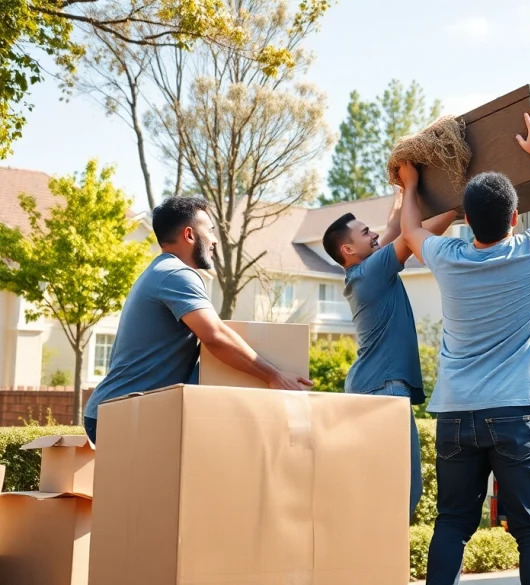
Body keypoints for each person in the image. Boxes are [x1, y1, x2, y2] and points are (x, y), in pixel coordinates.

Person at [400, 111, 530, 585]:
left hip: (456, 413)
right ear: (514, 217)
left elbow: (411, 230)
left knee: (453, 523)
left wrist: (409, 185)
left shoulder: (449, 258)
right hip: (515, 414)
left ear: (467, 221)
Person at [83, 196, 312, 444]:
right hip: (124, 414)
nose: (214, 240)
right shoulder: (176, 274)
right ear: (190, 234)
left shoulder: (161, 270)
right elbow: (215, 336)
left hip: (122, 410)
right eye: (210, 231)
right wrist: (274, 376)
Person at [321, 190, 456, 520]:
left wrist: (404, 191)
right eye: (366, 233)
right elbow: (412, 236)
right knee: (402, 490)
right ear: (348, 249)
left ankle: (374, 561)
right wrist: (457, 205)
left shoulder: (365, 271)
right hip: (383, 389)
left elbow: (396, 228)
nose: (375, 234)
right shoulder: (370, 273)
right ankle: (382, 563)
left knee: (385, 488)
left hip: (375, 387)